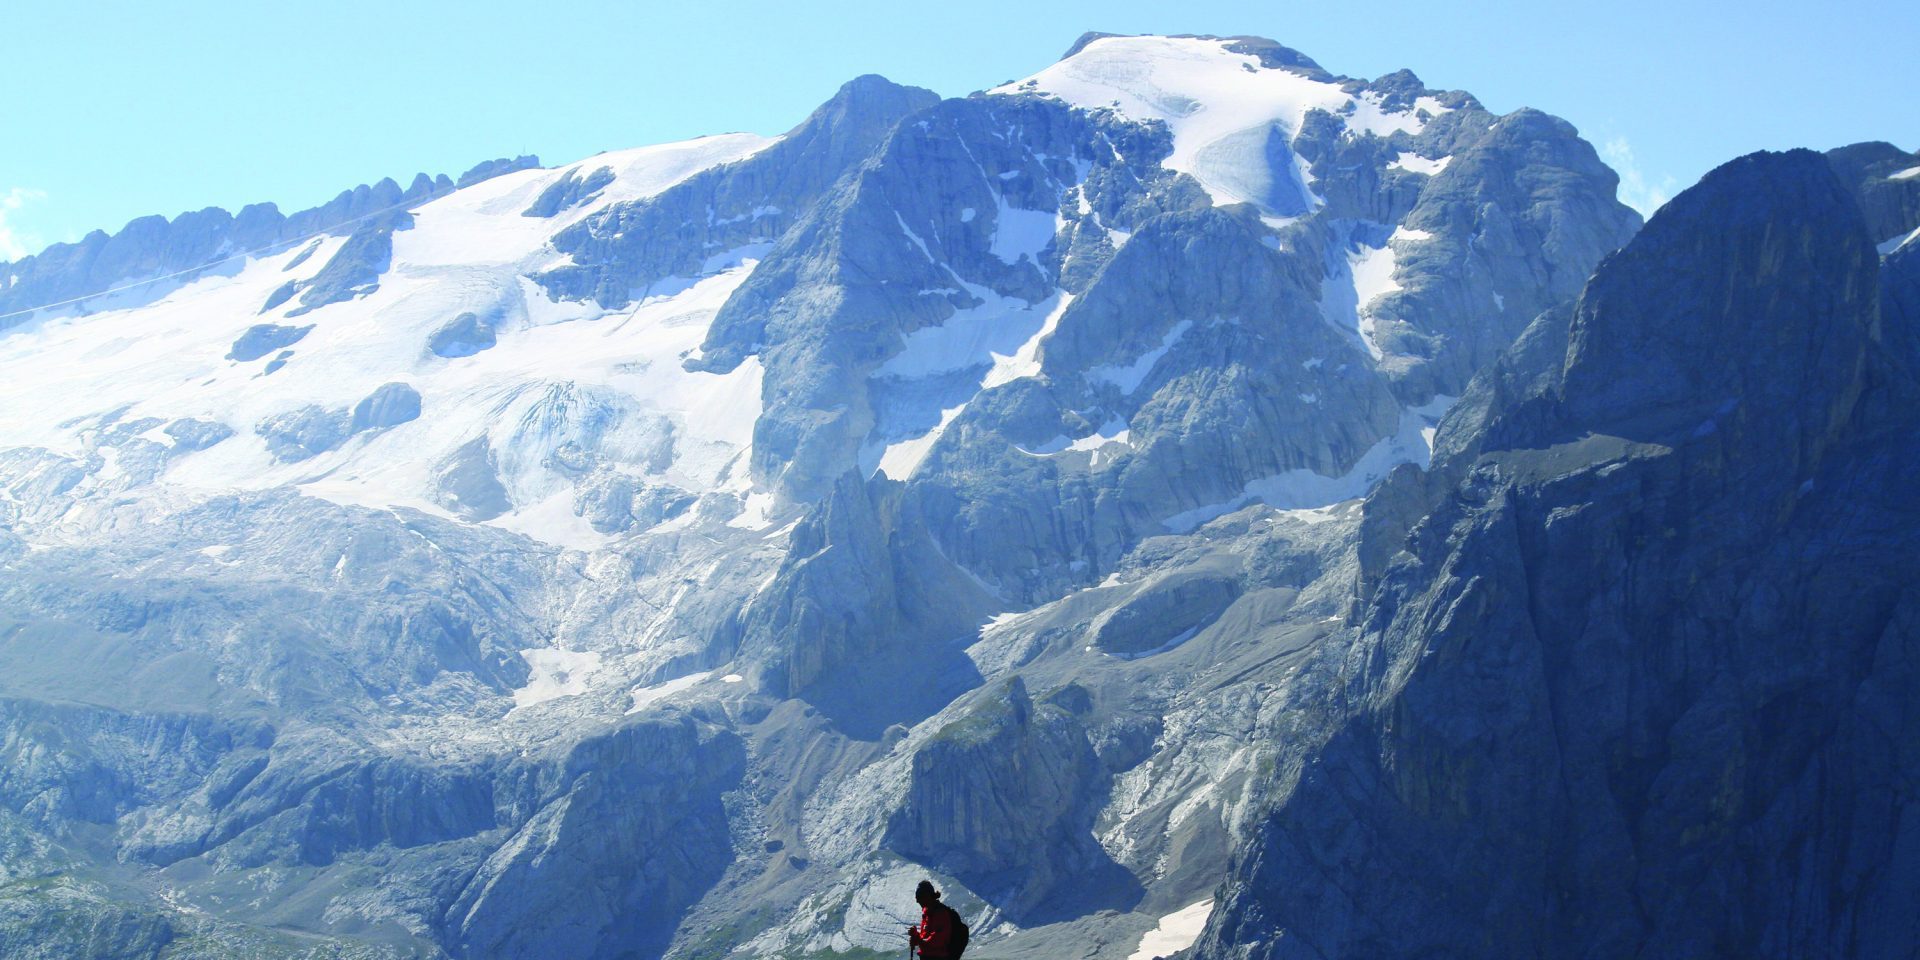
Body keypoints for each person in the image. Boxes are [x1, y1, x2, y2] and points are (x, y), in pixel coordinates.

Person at [906, 880, 955, 959]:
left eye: (919, 897)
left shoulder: (940, 914)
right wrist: (915, 937)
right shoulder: (927, 915)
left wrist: (917, 938)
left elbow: (935, 942)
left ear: (927, 896)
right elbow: (924, 938)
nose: (917, 901)